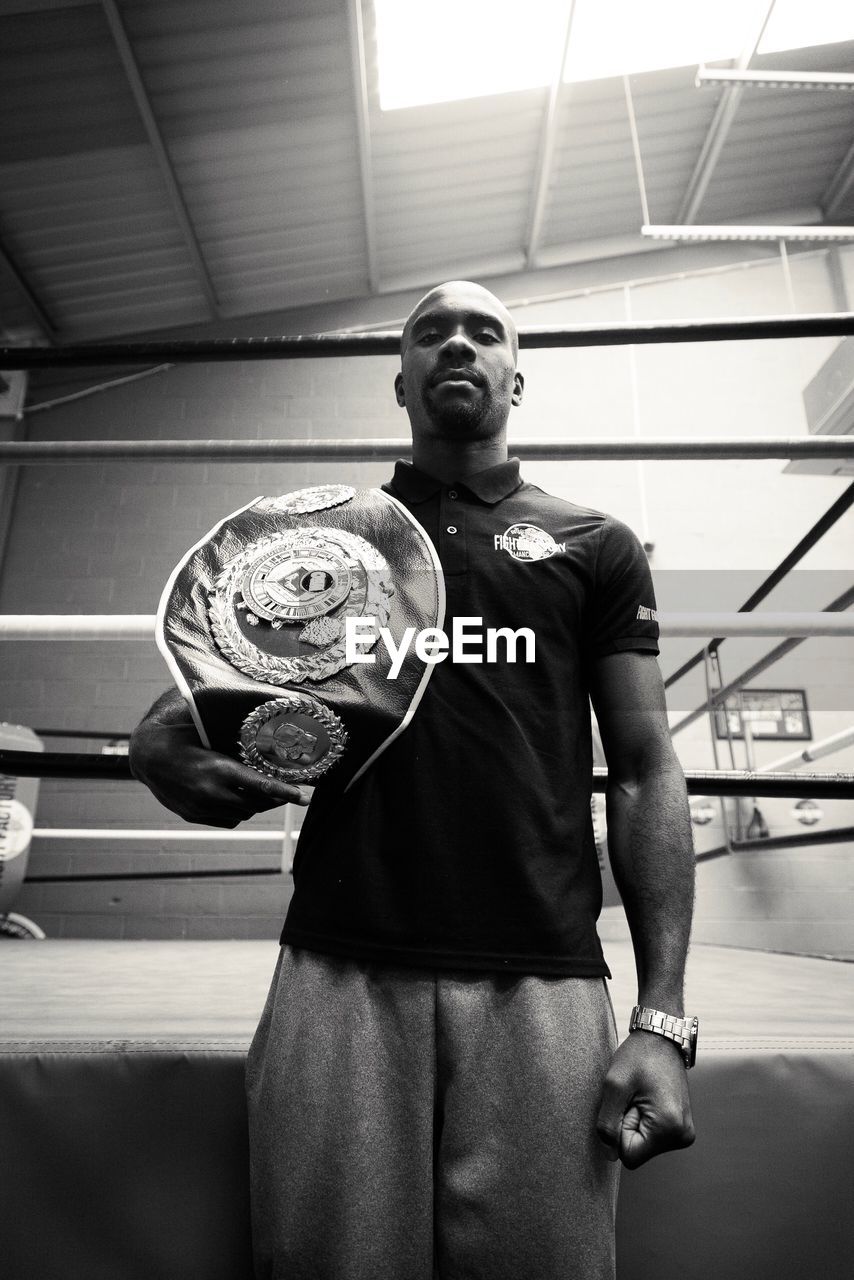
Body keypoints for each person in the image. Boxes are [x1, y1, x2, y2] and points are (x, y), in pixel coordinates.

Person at [129, 280, 696, 1280]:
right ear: (401, 378)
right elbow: (202, 689)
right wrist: (151, 743)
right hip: (338, 966)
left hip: (546, 976)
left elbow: (647, 769)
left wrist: (661, 1017)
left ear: (516, 375)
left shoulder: (593, 545)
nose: (458, 345)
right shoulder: (326, 547)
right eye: (431, 331)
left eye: (484, 331)